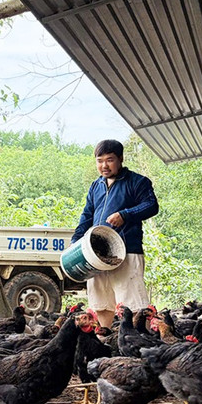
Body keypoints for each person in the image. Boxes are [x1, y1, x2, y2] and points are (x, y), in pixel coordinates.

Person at [72, 139, 159, 328]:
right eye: (99, 160)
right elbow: (87, 216)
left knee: (132, 303)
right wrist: (76, 241)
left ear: (120, 159)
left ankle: (138, 342)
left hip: (126, 250)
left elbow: (151, 206)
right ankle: (104, 340)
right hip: (96, 254)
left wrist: (125, 215)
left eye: (109, 160)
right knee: (101, 301)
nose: (104, 165)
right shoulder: (96, 186)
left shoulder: (137, 182)